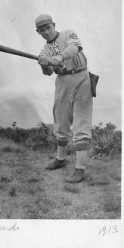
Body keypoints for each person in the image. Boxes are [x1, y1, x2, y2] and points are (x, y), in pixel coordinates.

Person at [36, 14, 93, 183]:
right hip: (62, 81)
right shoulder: (44, 50)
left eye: (48, 27)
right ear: (38, 32)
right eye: (41, 30)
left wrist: (58, 57)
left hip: (81, 77)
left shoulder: (68, 34)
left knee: (81, 121)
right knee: (60, 120)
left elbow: (74, 48)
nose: (46, 32)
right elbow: (48, 73)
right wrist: (44, 64)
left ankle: (80, 169)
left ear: (53, 25)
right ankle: (60, 159)